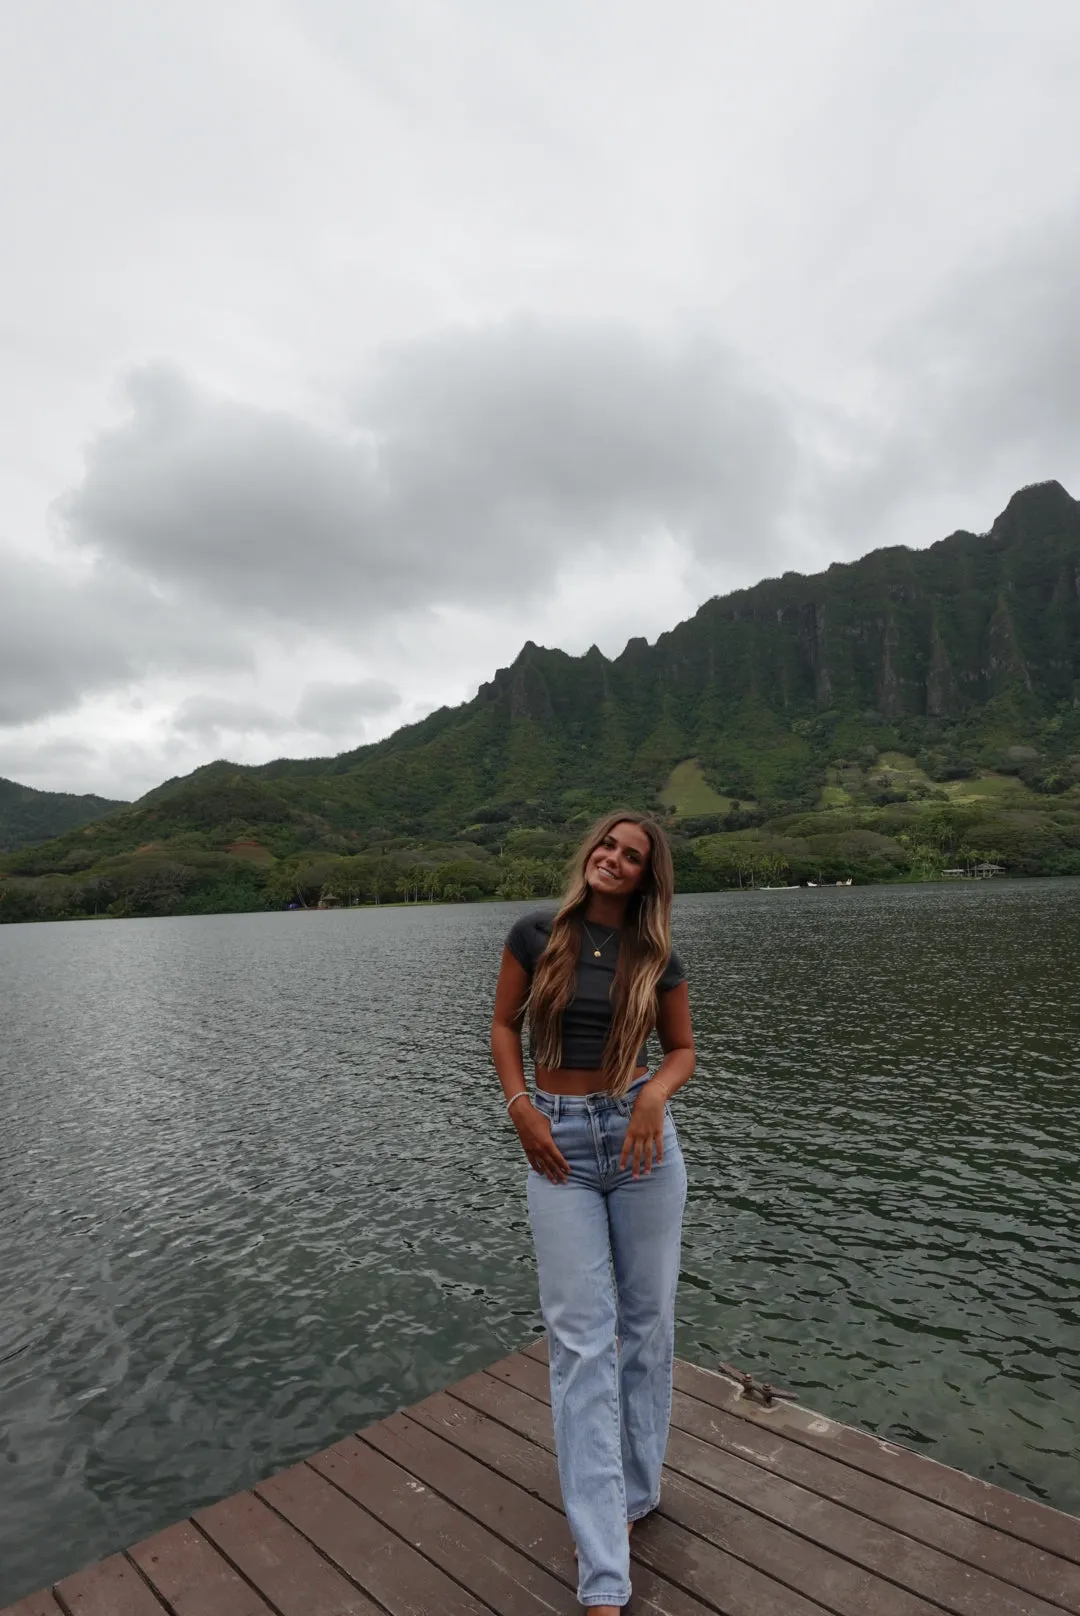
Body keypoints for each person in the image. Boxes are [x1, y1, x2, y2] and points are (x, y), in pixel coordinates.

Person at [491, 810, 695, 1613]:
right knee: (581, 1345)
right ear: (591, 855)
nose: (613, 858)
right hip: (559, 1146)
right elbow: (503, 1025)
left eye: (631, 854)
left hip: (644, 1148)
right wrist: (521, 1108)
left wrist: (653, 1096)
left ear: (647, 875)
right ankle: (604, 1571)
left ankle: (633, 1498)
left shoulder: (658, 955)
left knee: (647, 1330)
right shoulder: (536, 933)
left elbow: (682, 1050)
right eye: (607, 846)